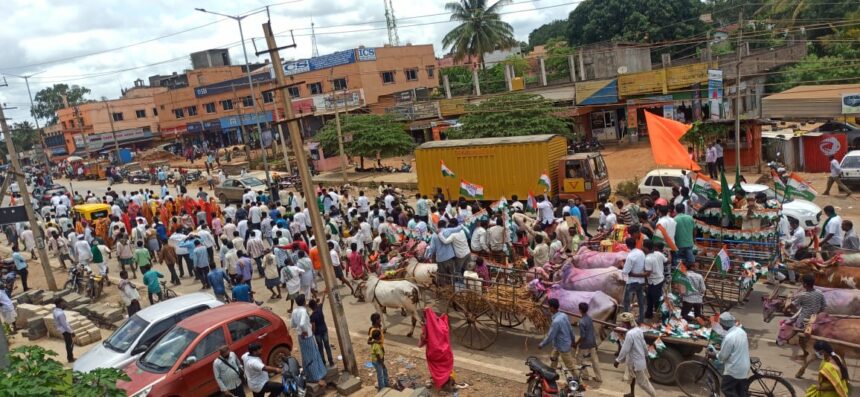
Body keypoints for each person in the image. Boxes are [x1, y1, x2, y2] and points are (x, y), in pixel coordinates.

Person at [614, 312, 656, 397]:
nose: (622, 324)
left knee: (643, 383)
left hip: (636, 362)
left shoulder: (630, 334)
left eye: (624, 323)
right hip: (635, 360)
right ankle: (632, 393)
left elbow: (625, 349)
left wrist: (618, 360)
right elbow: (644, 344)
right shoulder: (638, 330)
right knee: (631, 377)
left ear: (629, 323)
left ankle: (653, 395)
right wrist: (646, 355)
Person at [290, 294, 328, 385]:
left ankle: (308, 375)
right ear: (303, 302)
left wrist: (300, 329)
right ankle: (316, 377)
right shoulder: (303, 311)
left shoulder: (294, 311)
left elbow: (292, 324)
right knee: (312, 356)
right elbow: (303, 324)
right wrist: (304, 331)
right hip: (307, 336)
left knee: (306, 356)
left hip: (300, 337)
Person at [716, 312, 750, 397]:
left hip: (734, 369)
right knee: (740, 391)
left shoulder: (729, 338)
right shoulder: (741, 331)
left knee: (726, 388)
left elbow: (722, 357)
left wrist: (715, 354)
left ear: (723, 325)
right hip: (745, 367)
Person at [538, 298, 575, 371]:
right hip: (559, 345)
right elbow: (571, 330)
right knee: (553, 358)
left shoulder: (556, 322)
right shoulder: (564, 315)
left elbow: (550, 336)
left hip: (563, 347)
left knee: (570, 366)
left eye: (549, 307)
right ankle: (551, 373)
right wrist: (573, 341)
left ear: (552, 308)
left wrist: (541, 344)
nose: (548, 308)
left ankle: (579, 381)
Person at [573, 302, 602, 382]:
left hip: (585, 344)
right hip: (592, 342)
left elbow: (583, 336)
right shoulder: (589, 318)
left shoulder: (582, 321)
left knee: (580, 359)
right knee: (594, 360)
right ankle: (599, 377)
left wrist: (576, 343)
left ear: (580, 310)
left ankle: (585, 375)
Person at [622, 238, 647, 323]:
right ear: (636, 243)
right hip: (641, 281)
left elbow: (625, 271)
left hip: (632, 282)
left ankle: (627, 320)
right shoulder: (641, 252)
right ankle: (641, 319)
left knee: (626, 302)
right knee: (640, 302)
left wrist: (623, 265)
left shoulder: (630, 256)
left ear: (627, 245)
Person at [309, 297, 335, 367]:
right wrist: (324, 293)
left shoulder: (312, 316)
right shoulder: (320, 309)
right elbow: (322, 301)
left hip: (317, 333)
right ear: (315, 305)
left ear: (311, 308)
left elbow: (313, 327)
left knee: (320, 348)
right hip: (324, 330)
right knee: (327, 346)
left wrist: (313, 333)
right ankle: (331, 361)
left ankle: (323, 362)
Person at [643, 240, 665, 320]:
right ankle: (649, 313)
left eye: (643, 246)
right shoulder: (657, 254)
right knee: (650, 297)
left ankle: (663, 314)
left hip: (655, 281)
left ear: (646, 248)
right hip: (657, 280)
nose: (642, 248)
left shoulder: (648, 258)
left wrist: (633, 274)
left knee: (656, 299)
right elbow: (667, 261)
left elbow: (647, 273)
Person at [53, 298, 76, 363]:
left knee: (68, 344)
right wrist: (71, 331)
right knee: (70, 344)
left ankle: (70, 357)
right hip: (65, 331)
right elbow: (64, 325)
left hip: (62, 330)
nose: (64, 304)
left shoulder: (55, 311)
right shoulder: (60, 314)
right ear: (60, 303)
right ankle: (70, 358)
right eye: (63, 302)